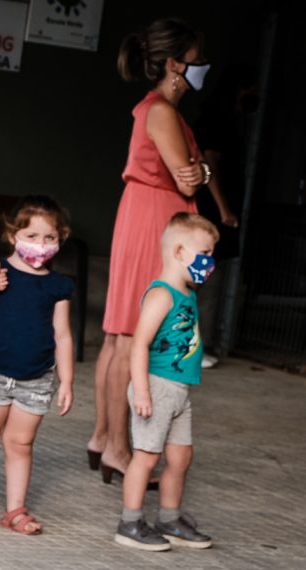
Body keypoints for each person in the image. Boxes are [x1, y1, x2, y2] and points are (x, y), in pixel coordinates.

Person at [88, 18, 212, 483]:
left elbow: (195, 173)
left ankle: (103, 439)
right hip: (155, 220)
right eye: (198, 59)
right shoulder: (159, 110)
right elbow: (186, 174)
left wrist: (202, 173)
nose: (204, 67)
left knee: (118, 335)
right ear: (176, 64)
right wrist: (201, 171)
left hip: (146, 214)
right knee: (128, 334)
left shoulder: (162, 111)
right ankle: (119, 450)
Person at [0, 196, 74, 536]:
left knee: (21, 444)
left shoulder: (58, 286)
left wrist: (66, 381)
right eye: (32, 236)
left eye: (49, 238)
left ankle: (15, 509)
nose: (41, 245)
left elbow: (63, 336)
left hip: (36, 380)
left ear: (60, 239)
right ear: (12, 235)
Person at [115, 212, 218, 551]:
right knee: (145, 456)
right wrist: (142, 391)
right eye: (205, 253)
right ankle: (130, 523)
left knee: (181, 457)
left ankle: (169, 518)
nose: (210, 261)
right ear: (178, 252)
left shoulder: (187, 293)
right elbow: (139, 344)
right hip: (156, 387)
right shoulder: (162, 295)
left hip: (178, 391)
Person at [192, 64, 255, 364]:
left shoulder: (228, 120)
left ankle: (192, 344)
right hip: (211, 213)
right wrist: (223, 209)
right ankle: (190, 345)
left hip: (215, 211)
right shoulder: (217, 122)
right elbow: (209, 165)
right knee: (198, 278)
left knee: (202, 278)